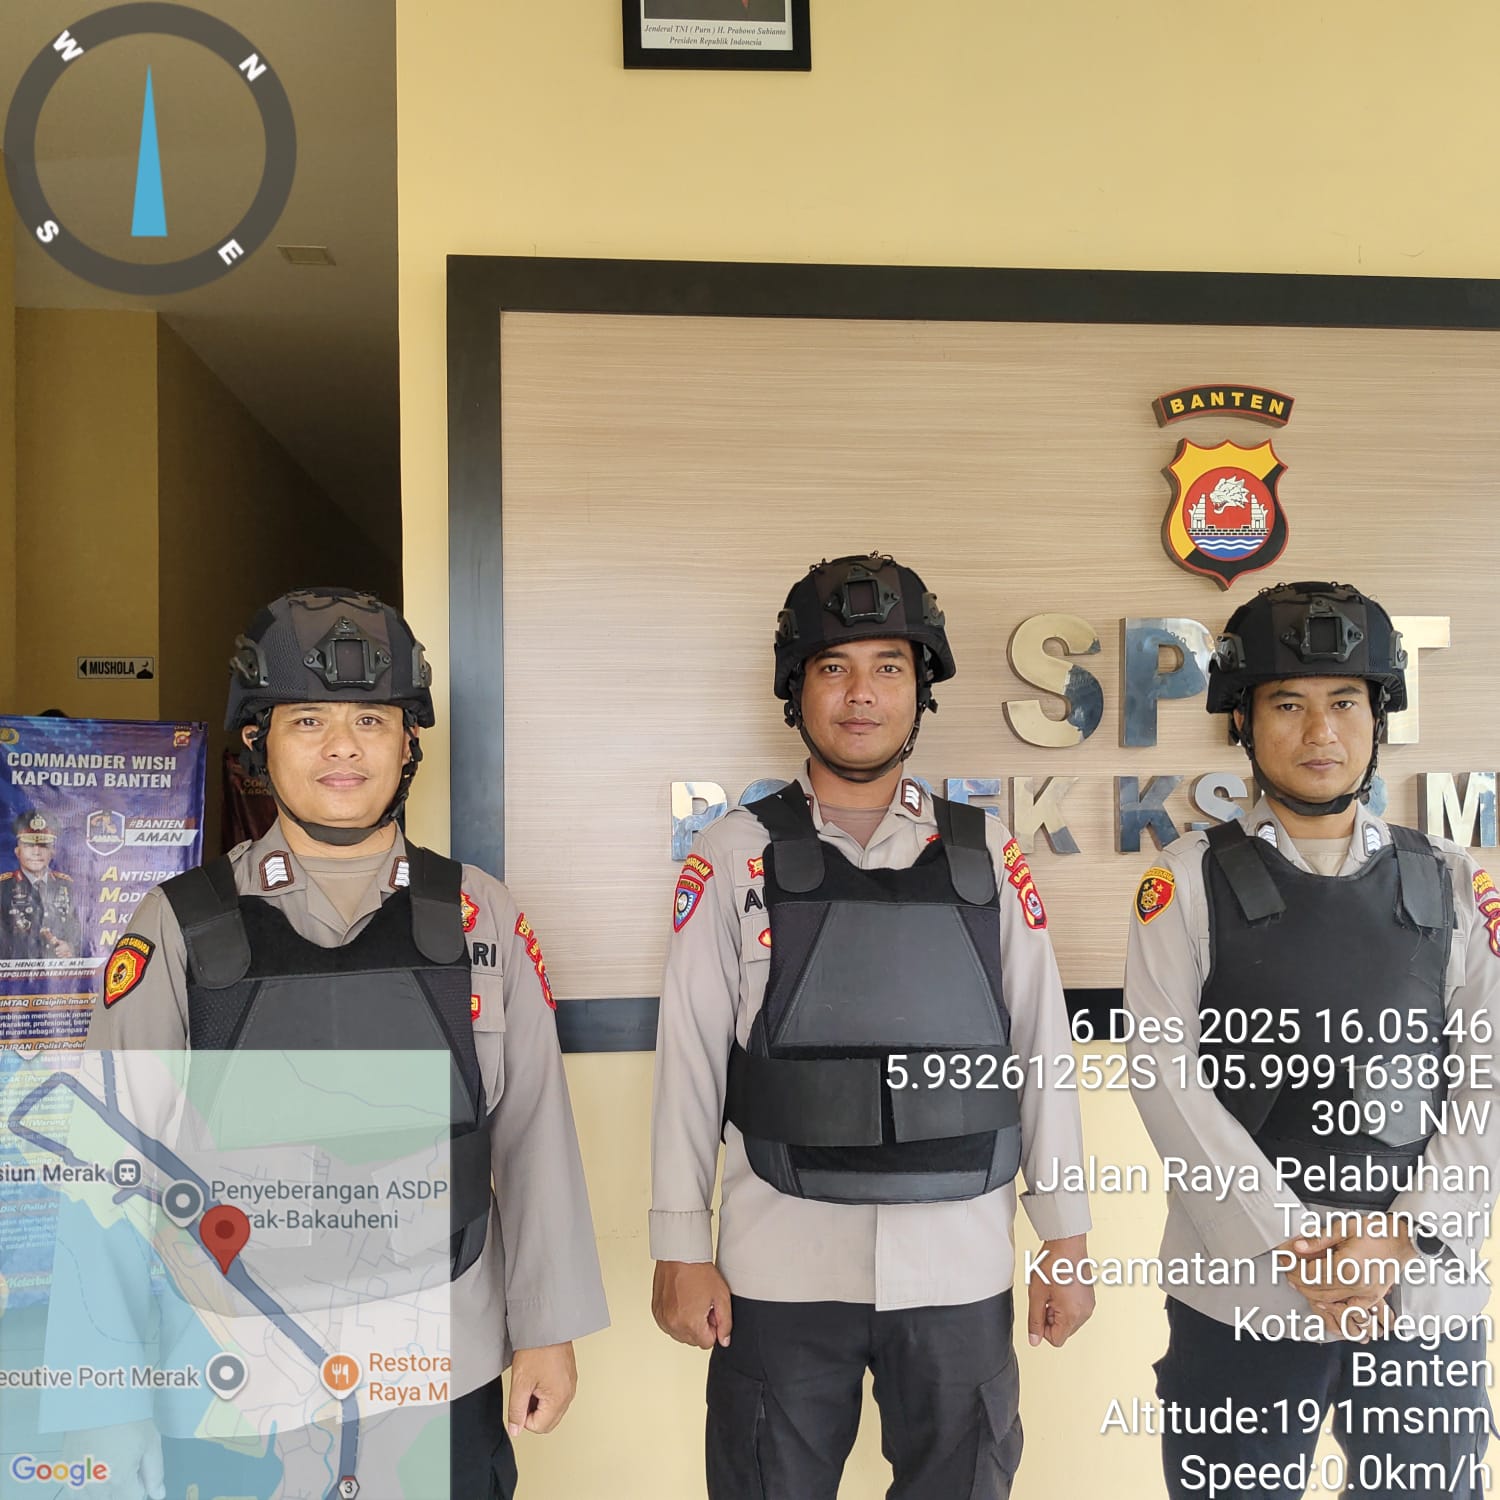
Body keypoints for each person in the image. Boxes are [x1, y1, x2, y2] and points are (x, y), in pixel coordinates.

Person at [72, 588, 607, 1499]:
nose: (343, 747)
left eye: (371, 719)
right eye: (308, 720)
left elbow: (532, 1138)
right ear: (259, 741)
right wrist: (107, 1393)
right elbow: (108, 1165)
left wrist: (547, 1328)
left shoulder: (478, 912)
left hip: (444, 1360)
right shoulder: (179, 926)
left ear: (409, 742)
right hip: (240, 1379)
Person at [650, 552, 1094, 1499]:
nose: (862, 694)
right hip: (779, 1266)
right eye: (834, 667)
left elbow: (1040, 1050)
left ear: (920, 689)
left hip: (958, 1266)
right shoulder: (732, 854)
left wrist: (1067, 1237)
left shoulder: (987, 854)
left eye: (888, 667)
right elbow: (688, 1061)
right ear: (796, 689)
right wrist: (680, 1246)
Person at [1124, 581, 1497, 1500]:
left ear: (1379, 717)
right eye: (1288, 704)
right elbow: (1163, 1074)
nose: (1320, 731)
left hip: (1421, 1294)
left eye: (1345, 702)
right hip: (1242, 1294)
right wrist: (1292, 1240)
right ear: (1244, 723)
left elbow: (1488, 1077)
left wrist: (1401, 1235)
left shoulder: (1453, 879)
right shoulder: (1185, 881)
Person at [0, 810, 83, 961]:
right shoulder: (3, 887)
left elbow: (76, 931)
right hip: (14, 972)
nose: (36, 852)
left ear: (52, 851)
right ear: (17, 851)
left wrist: (70, 947)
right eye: (29, 845)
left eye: (43, 846)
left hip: (56, 972)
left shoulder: (66, 886)